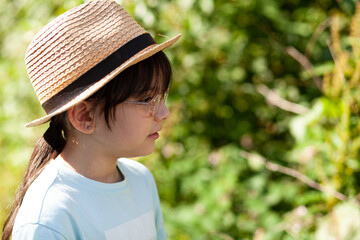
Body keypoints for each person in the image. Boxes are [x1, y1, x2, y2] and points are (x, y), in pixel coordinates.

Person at [1, 0, 181, 239]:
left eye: (161, 96)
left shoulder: (141, 181)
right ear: (84, 115)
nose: (164, 113)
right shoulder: (49, 218)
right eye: (146, 99)